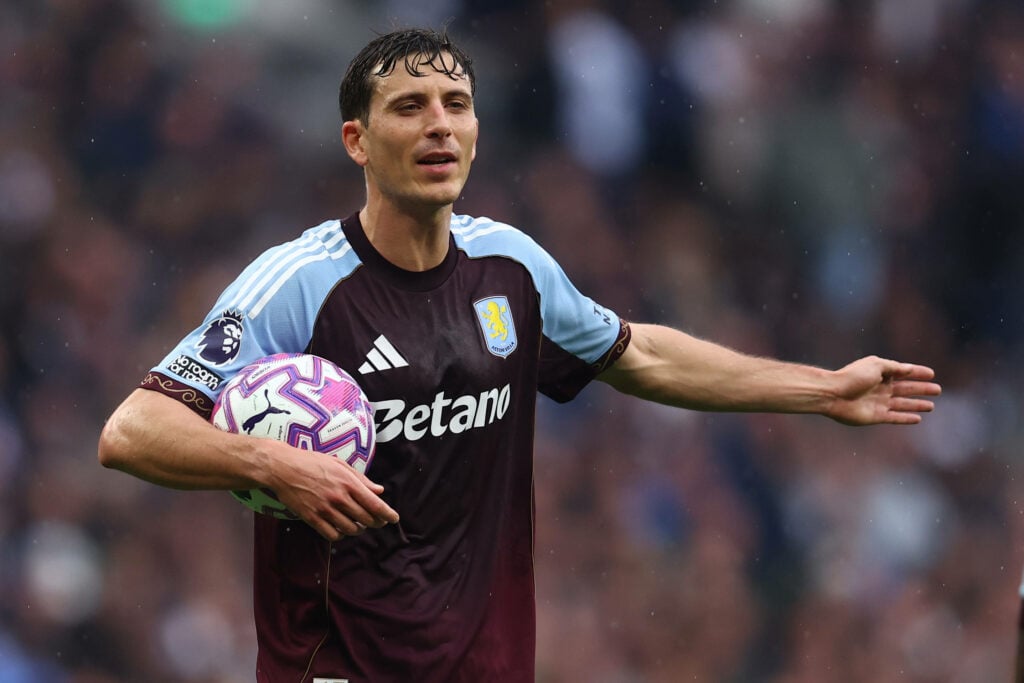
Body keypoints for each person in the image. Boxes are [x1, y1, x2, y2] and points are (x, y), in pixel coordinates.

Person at [97, 27, 941, 683]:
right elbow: (132, 430)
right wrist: (275, 465)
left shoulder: (513, 266)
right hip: (337, 667)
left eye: (456, 105)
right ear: (355, 140)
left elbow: (637, 354)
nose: (439, 125)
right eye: (409, 106)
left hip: (491, 666)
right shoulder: (297, 285)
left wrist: (823, 388)